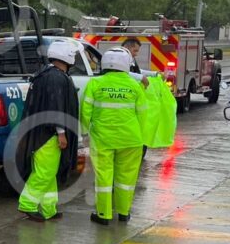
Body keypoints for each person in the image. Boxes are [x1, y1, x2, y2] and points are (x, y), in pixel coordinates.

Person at [81, 48, 150, 225]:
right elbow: (143, 114)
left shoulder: (95, 84)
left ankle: (103, 214)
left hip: (102, 139)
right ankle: (124, 213)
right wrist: (140, 137)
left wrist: (85, 132)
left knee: (103, 177)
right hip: (131, 139)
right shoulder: (134, 85)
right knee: (126, 178)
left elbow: (85, 112)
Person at [16, 40, 80, 222]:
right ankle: (27, 204)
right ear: (65, 56)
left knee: (48, 172)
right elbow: (55, 107)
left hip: (38, 132)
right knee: (44, 173)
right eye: (73, 55)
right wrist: (61, 132)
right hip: (48, 135)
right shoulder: (56, 77)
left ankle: (48, 208)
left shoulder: (45, 74)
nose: (74, 58)